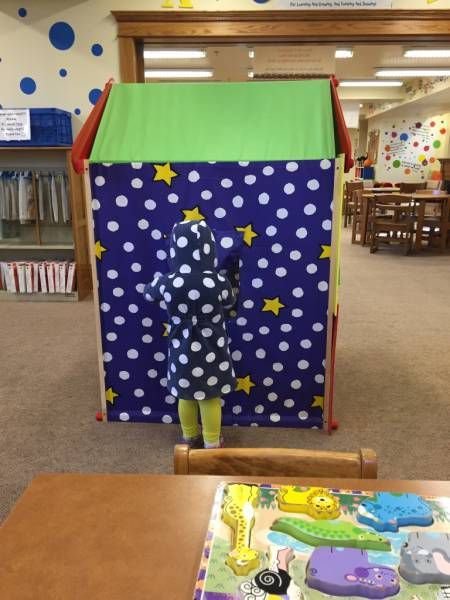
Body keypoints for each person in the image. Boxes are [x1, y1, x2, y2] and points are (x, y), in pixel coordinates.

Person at [143, 219, 236, 448]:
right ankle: (212, 442)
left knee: (185, 395)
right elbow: (230, 301)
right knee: (210, 396)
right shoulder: (219, 281)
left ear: (175, 249)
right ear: (209, 248)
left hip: (181, 350)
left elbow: (148, 293)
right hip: (213, 349)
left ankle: (189, 436)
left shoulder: (167, 282)